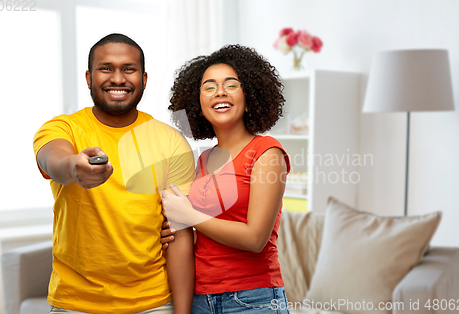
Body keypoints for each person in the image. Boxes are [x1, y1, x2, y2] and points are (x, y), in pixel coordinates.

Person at [33, 33, 195, 314]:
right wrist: (74, 167)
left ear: (144, 79)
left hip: (154, 302)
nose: (118, 78)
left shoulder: (171, 141)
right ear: (88, 77)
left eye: (128, 69)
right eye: (106, 68)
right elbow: (52, 159)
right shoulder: (63, 128)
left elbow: (180, 234)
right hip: (75, 303)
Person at [161, 44, 291, 313]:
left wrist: (190, 216)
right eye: (209, 87)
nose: (219, 92)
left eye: (231, 84)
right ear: (197, 102)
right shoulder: (203, 160)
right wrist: (180, 234)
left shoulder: (266, 152)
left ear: (250, 95)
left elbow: (256, 239)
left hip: (254, 299)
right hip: (201, 297)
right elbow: (210, 234)